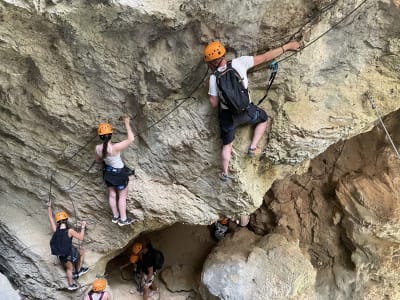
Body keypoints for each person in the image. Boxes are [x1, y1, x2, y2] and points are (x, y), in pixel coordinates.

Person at [204, 40, 300, 181]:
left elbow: (213, 103)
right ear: (224, 54)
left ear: (211, 63)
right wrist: (288, 47)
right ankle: (252, 147)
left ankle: (224, 173)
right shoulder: (239, 63)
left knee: (227, 145)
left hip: (229, 117)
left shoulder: (213, 78)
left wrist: (210, 88)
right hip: (247, 111)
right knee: (263, 118)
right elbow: (266, 57)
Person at [95, 117, 135, 226]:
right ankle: (123, 219)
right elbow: (131, 139)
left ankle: (116, 216)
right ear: (111, 134)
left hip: (107, 174)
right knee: (122, 197)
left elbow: (98, 160)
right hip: (119, 174)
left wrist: (106, 159)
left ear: (100, 136)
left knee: (112, 195)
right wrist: (126, 123)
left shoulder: (97, 148)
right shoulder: (115, 147)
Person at [47, 205, 88, 291]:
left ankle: (71, 285)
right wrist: (83, 227)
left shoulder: (56, 230)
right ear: (66, 220)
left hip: (61, 255)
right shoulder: (69, 231)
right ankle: (79, 270)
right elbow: (80, 237)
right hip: (69, 253)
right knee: (81, 252)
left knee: (69, 269)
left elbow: (50, 218)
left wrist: (49, 207)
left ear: (58, 222)